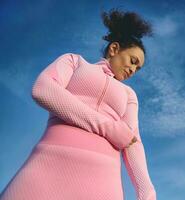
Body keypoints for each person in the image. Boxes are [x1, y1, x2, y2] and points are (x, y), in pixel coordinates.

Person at [0, 8, 156, 200]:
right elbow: (43, 89)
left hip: (103, 182)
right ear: (114, 49)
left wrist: (147, 192)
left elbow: (133, 142)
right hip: (47, 167)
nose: (133, 69)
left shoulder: (128, 94)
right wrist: (109, 128)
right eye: (132, 61)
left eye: (137, 68)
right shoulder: (75, 62)